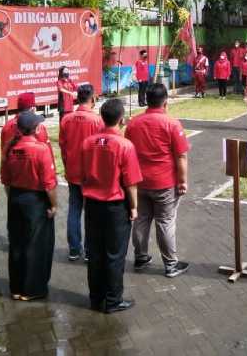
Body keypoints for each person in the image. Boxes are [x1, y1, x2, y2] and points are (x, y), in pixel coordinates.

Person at [81, 99, 142, 313]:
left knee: (95, 253)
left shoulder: (88, 143)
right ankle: (113, 300)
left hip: (92, 206)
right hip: (116, 206)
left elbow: (82, 174)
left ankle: (96, 297)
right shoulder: (125, 145)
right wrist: (133, 207)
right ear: (122, 120)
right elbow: (131, 182)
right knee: (115, 255)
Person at [125, 84, 191, 278]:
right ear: (166, 101)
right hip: (164, 183)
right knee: (165, 221)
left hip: (140, 181)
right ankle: (171, 264)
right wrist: (182, 181)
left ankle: (140, 257)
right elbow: (181, 156)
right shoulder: (171, 123)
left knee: (141, 220)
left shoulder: (134, 123)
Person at [2, 112, 58, 301]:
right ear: (35, 129)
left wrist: (13, 199)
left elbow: (6, 180)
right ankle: (32, 289)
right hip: (35, 201)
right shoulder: (41, 149)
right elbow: (49, 184)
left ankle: (16, 288)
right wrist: (54, 205)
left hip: (16, 198)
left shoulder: (10, 149)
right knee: (35, 245)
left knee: (16, 243)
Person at [59, 84, 105, 261]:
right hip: (91, 174)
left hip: (73, 172)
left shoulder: (66, 120)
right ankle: (88, 249)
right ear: (92, 98)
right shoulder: (97, 121)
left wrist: (67, 166)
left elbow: (63, 147)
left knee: (74, 209)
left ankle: (74, 249)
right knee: (91, 212)